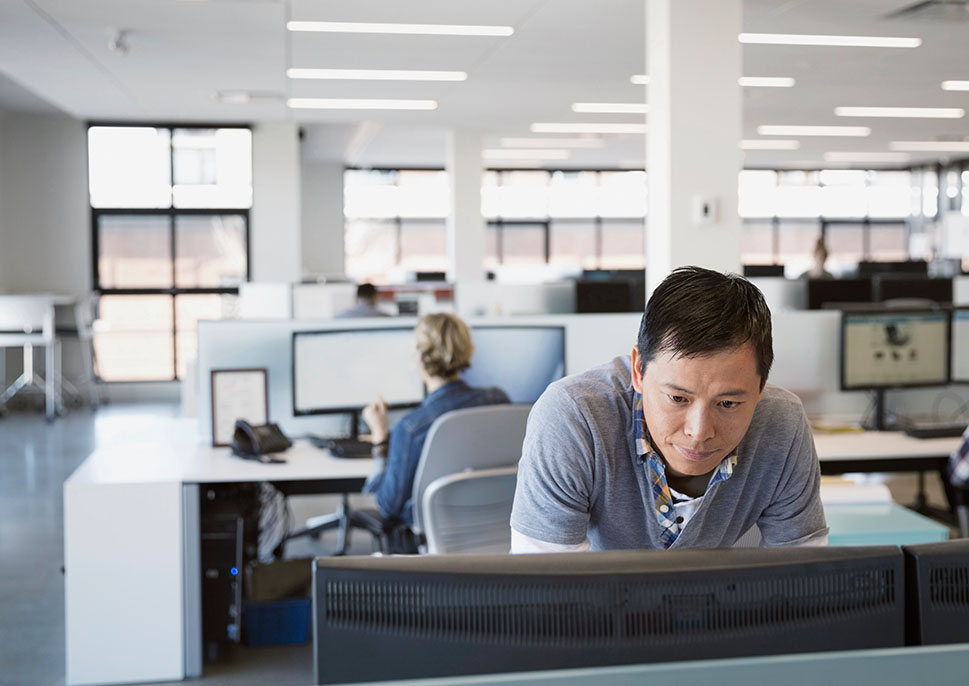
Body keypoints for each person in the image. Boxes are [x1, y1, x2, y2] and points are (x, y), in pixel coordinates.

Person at [511, 266, 828, 553]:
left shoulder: (783, 423)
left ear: (761, 388)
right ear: (639, 370)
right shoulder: (574, 417)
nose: (699, 431)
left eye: (728, 403)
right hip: (600, 610)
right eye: (678, 398)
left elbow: (803, 583)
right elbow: (546, 596)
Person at [362, 312, 510, 534]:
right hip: (495, 532)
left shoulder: (412, 427)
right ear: (467, 349)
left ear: (419, 356)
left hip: (436, 543)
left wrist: (380, 438)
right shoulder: (499, 400)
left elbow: (387, 506)